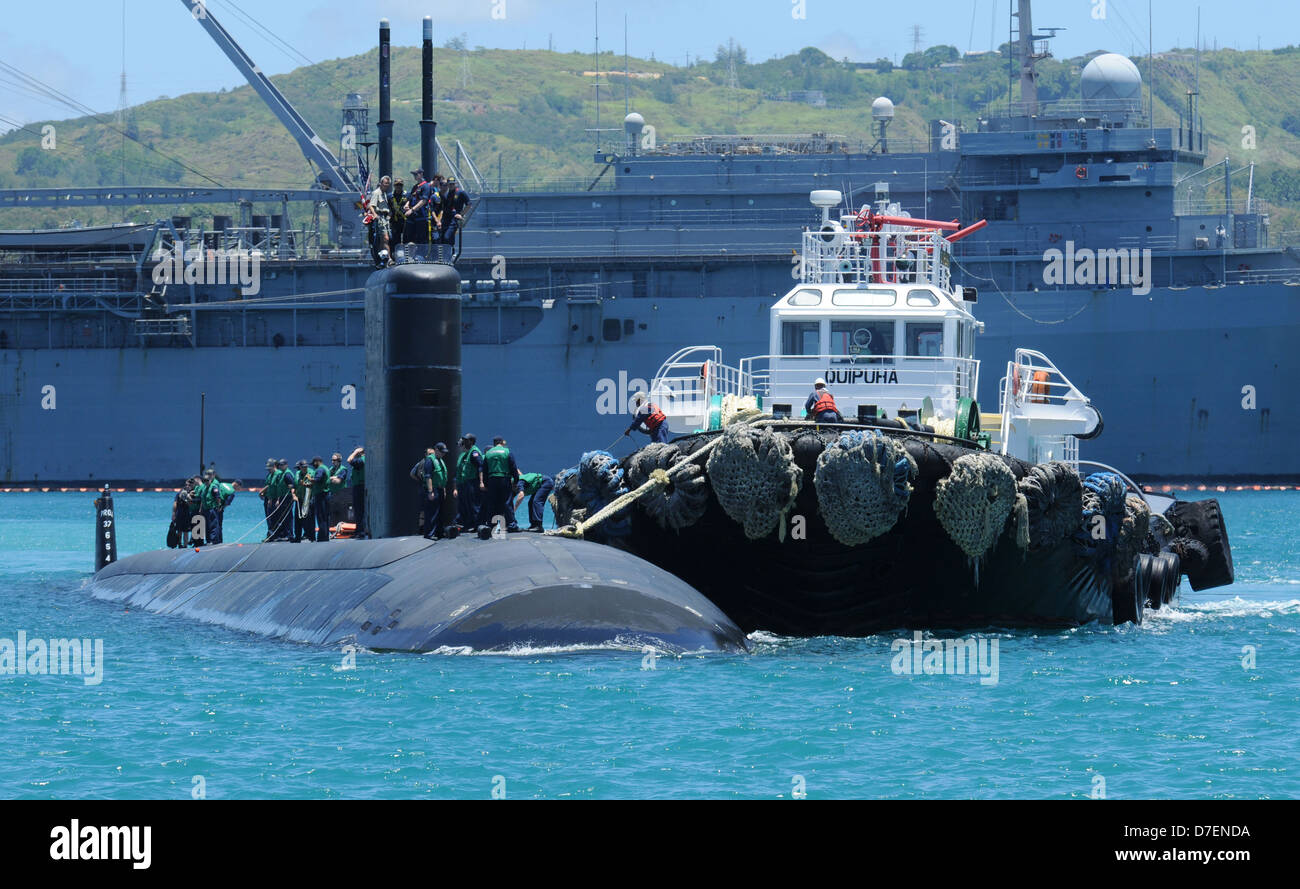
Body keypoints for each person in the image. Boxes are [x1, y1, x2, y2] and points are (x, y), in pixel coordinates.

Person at [480, 436, 520, 532]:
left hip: (492, 480)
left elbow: (484, 470)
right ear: (502, 442)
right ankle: (511, 525)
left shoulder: (488, 453)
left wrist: (485, 484)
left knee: (492, 503)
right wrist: (516, 481)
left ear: (494, 443)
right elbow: (513, 467)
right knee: (507, 502)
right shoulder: (507, 452)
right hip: (504, 479)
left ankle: (491, 525)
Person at [455, 433, 484, 530]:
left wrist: (481, 482)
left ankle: (477, 525)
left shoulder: (474, 453)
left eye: (466, 440)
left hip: (473, 482)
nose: (464, 442)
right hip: (465, 483)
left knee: (474, 504)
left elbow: (480, 467)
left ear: (471, 441)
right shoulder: (465, 454)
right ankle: (468, 524)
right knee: (466, 504)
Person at [369, 175, 394, 268]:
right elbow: (371, 205)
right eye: (385, 183)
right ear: (381, 183)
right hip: (380, 218)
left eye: (388, 184)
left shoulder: (384, 194)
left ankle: (383, 259)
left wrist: (389, 215)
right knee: (385, 238)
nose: (387, 185)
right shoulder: (377, 193)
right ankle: (388, 258)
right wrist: (375, 215)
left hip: (385, 218)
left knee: (384, 240)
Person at [269, 458, 296, 540]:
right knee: (283, 516)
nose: (281, 466)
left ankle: (290, 534)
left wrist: (293, 496)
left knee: (288, 516)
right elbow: (279, 488)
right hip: (282, 497)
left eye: (282, 465)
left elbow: (292, 486)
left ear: (286, 465)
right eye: (280, 465)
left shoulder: (287, 474)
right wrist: (278, 500)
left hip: (287, 498)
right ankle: (285, 533)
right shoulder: (282, 474)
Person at [307, 456, 330, 541]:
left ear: (317, 461)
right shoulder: (326, 468)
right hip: (325, 495)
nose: (313, 465)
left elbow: (318, 479)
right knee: (325, 516)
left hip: (321, 495)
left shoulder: (320, 469)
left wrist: (310, 479)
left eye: (313, 463)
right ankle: (325, 535)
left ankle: (322, 537)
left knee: (321, 516)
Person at [440, 177, 468, 245]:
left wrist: (461, 214)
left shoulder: (461, 193)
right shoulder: (446, 194)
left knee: (447, 237)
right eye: (450, 184)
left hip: (454, 219)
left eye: (453, 184)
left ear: (455, 184)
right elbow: (443, 208)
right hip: (446, 219)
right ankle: (450, 254)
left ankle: (449, 253)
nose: (451, 185)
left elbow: (469, 204)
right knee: (443, 239)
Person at [347, 446, 367, 538]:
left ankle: (361, 531)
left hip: (360, 487)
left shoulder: (362, 460)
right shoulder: (362, 460)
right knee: (359, 510)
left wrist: (355, 452)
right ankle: (359, 530)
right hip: (360, 486)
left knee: (359, 510)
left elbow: (349, 460)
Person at [327, 452, 351, 526]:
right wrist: (333, 478)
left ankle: (342, 529)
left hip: (341, 495)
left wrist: (331, 478)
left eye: (334, 460)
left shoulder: (343, 469)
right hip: (333, 494)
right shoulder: (331, 469)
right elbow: (328, 479)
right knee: (332, 513)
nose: (332, 462)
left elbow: (338, 481)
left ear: (339, 460)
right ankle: (333, 530)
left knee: (342, 513)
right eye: (332, 460)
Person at [291, 459, 312, 542]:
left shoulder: (310, 473)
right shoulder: (297, 474)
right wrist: (293, 495)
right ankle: (298, 536)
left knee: (307, 518)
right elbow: (294, 486)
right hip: (299, 498)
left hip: (307, 498)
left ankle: (308, 535)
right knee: (298, 518)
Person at [260, 457, 277, 540]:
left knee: (272, 518)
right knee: (269, 518)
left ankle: (274, 534)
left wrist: (261, 491)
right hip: (268, 498)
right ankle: (270, 534)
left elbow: (273, 486)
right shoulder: (269, 475)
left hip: (273, 499)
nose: (268, 470)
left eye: (270, 468)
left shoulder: (277, 474)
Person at [389, 178, 406, 250]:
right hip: (394, 222)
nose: (398, 186)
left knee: (406, 239)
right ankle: (395, 256)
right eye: (397, 185)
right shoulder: (390, 196)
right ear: (394, 186)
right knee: (395, 240)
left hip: (405, 221)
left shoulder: (407, 195)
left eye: (400, 185)